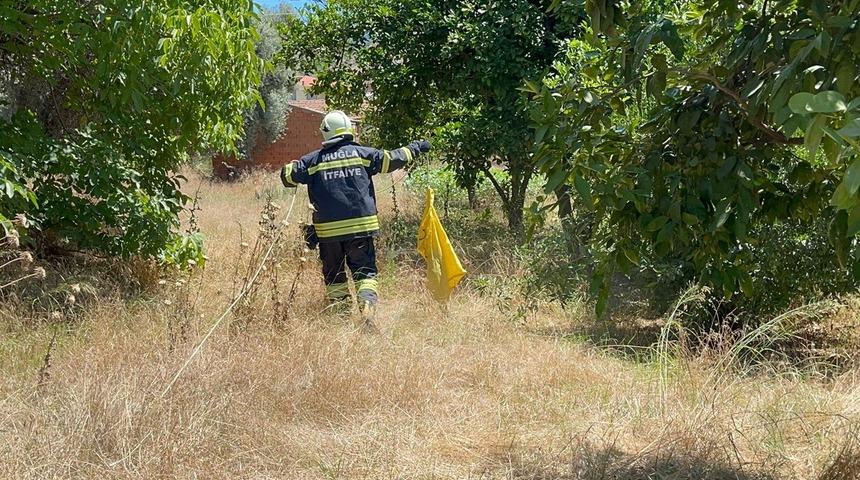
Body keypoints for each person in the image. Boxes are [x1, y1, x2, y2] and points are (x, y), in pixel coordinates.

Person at [280, 110, 431, 326]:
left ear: (325, 132)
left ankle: (340, 316)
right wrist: (416, 147)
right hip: (361, 228)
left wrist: (294, 166)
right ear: (348, 129)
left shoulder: (313, 161)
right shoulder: (362, 154)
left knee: (334, 274)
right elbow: (392, 159)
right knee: (365, 271)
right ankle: (367, 304)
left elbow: (287, 176)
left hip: (328, 234)